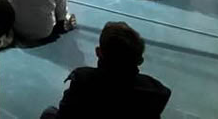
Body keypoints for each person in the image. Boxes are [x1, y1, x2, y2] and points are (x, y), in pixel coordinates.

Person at [41, 22, 171, 119]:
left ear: (98, 53)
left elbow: (66, 115)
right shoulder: (156, 91)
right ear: (139, 60)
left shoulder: (82, 80)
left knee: (49, 113)